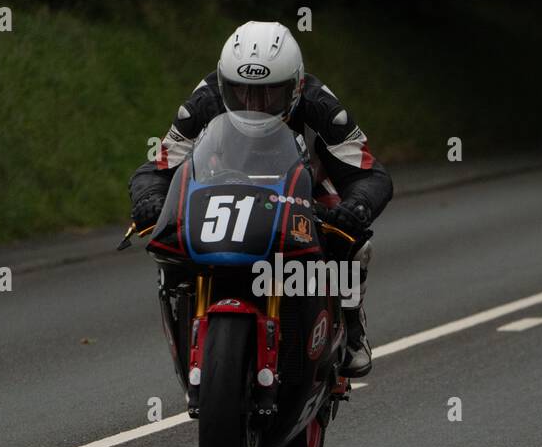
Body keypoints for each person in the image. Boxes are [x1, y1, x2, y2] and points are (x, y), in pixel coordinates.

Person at [128, 20, 393, 376]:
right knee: (169, 250)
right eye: (242, 92)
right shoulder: (204, 101)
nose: (254, 103)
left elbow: (368, 172)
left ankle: (350, 323)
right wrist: (150, 200)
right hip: (221, 194)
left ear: (296, 87)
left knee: (354, 245)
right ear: (225, 85)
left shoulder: (321, 106)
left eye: (270, 93)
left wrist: (355, 208)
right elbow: (158, 167)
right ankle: (189, 317)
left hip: (302, 196)